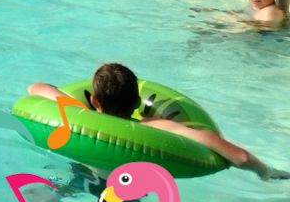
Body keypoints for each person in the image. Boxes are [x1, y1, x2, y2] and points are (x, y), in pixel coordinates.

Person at [28, 62, 290, 180]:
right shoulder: (155, 127)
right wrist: (266, 173)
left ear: (95, 100)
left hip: (81, 173)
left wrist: (77, 104)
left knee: (52, 192)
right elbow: (241, 157)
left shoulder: (81, 113)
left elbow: (36, 87)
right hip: (127, 188)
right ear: (137, 100)